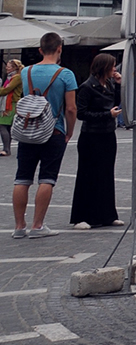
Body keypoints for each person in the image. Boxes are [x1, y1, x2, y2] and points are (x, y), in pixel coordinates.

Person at [11, 33, 77, 238]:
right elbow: (71, 108)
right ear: (60, 48)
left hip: (28, 130)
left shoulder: (26, 72)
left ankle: (19, 226)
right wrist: (69, 131)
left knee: (22, 178)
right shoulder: (66, 74)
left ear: (40, 50)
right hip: (53, 130)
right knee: (47, 178)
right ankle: (37, 225)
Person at [70, 53, 123, 229]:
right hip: (91, 136)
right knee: (88, 175)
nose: (115, 69)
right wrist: (107, 115)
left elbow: (115, 103)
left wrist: (118, 85)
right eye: (112, 66)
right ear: (104, 67)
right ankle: (82, 216)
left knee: (106, 174)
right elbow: (82, 113)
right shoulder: (87, 86)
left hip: (107, 133)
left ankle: (107, 214)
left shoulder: (108, 84)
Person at [0, 59, 23, 157]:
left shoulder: (16, 77)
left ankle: (6, 149)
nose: (6, 68)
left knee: (2, 125)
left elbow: (7, 90)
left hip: (10, 104)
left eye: (9, 66)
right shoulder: (11, 77)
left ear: (14, 68)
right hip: (10, 103)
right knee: (7, 126)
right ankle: (7, 149)